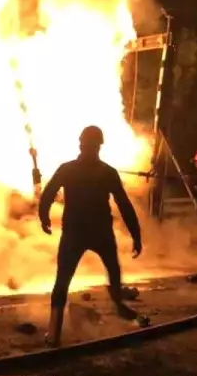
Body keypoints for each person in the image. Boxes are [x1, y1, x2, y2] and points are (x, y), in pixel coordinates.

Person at [38, 125, 143, 347]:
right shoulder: (106, 172)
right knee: (110, 271)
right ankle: (117, 305)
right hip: (97, 231)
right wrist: (136, 235)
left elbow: (48, 193)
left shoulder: (69, 169)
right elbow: (124, 205)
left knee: (64, 279)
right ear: (97, 147)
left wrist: (44, 217)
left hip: (79, 232)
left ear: (81, 144)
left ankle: (54, 330)